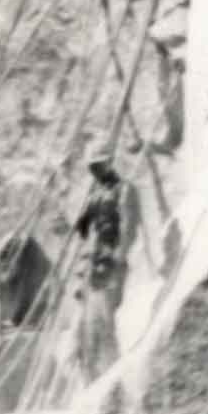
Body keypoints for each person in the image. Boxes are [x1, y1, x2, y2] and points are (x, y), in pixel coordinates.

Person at [70, 154, 137, 377]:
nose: (95, 171)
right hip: (91, 260)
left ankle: (113, 374)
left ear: (109, 163)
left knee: (105, 318)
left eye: (98, 166)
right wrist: (82, 214)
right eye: (92, 168)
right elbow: (83, 228)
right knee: (86, 323)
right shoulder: (95, 194)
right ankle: (91, 375)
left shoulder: (124, 190)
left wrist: (119, 256)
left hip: (109, 259)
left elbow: (128, 226)